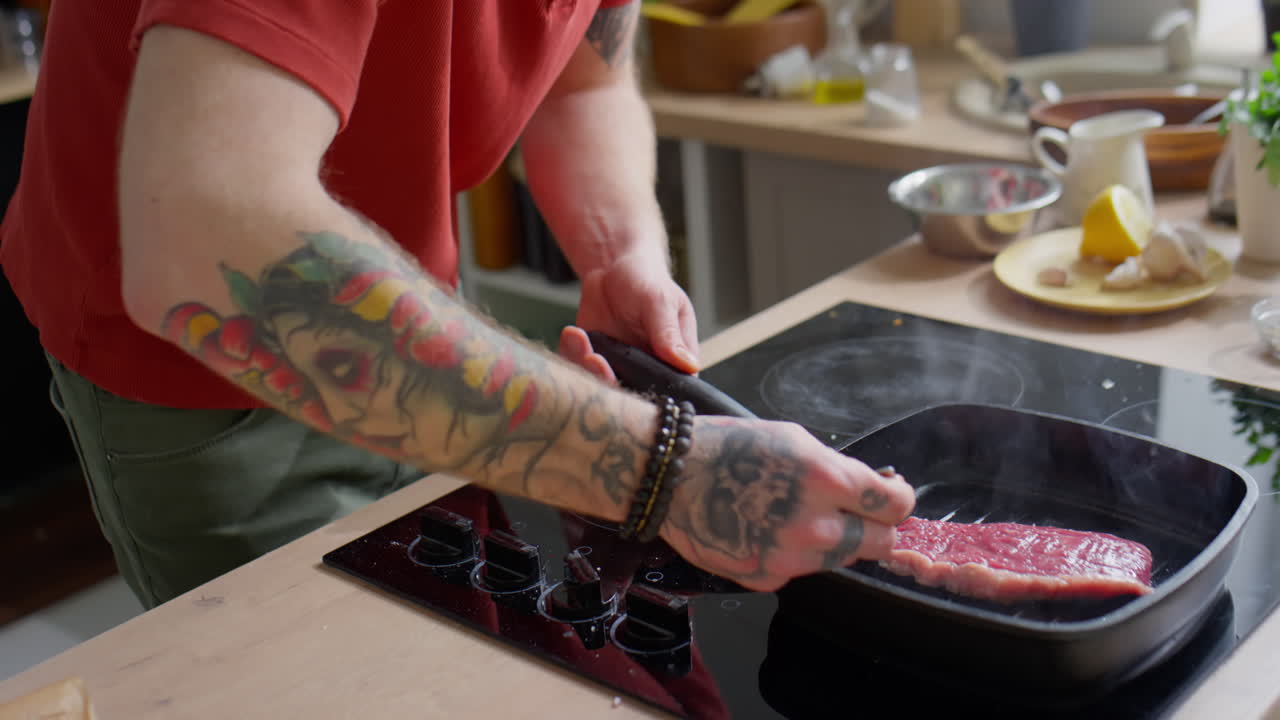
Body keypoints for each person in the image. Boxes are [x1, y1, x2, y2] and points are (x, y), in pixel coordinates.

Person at [0, 1, 915, 609]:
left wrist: (620, 251)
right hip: (200, 366)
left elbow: (586, 77)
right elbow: (208, 245)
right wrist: (665, 472)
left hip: (388, 282)